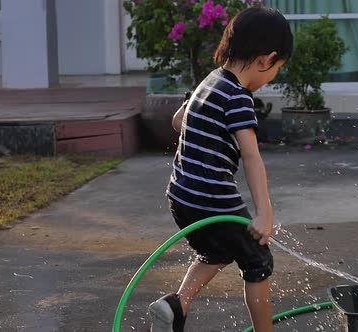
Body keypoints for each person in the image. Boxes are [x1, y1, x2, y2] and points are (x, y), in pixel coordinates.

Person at [148, 5, 293, 332]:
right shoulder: (238, 98)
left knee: (217, 250)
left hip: (181, 196)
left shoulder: (210, 82)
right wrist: (264, 212)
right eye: (276, 70)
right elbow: (252, 157)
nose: (271, 78)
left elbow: (177, 121)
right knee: (258, 260)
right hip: (211, 199)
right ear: (265, 59)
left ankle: (176, 306)